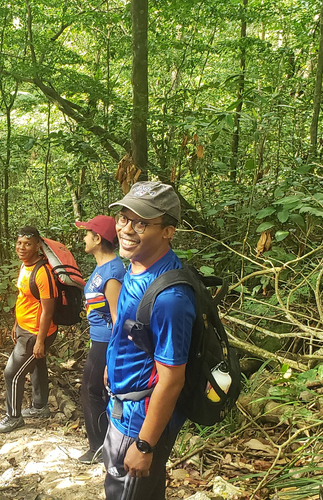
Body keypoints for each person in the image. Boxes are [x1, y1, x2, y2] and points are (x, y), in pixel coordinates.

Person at [103, 181, 196, 500]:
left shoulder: (170, 297)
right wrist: (111, 365)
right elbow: (131, 328)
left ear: (168, 231)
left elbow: (172, 380)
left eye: (141, 222)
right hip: (123, 407)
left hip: (139, 423)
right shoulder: (137, 266)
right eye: (123, 218)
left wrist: (144, 445)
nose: (126, 229)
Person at [0, 226, 58, 434]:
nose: (22, 247)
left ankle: (13, 417)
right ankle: (40, 406)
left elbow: (48, 310)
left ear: (38, 246)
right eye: (19, 243)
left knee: (12, 373)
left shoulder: (42, 272)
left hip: (36, 333)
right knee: (38, 366)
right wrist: (16, 324)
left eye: (27, 244)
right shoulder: (25, 266)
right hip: (25, 328)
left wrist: (40, 341)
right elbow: (24, 298)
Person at [74, 215, 125, 465]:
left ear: (97, 238)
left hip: (106, 343)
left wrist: (110, 360)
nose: (83, 237)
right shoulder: (101, 268)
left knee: (91, 391)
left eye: (87, 233)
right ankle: (105, 444)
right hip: (98, 340)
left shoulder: (114, 272)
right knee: (96, 392)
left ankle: (98, 447)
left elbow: (118, 318)